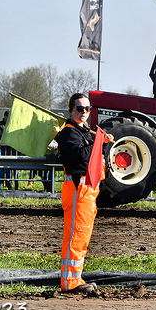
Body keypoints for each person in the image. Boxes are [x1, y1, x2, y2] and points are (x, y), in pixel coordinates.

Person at [54, 93, 113, 294]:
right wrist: (100, 143)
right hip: (78, 190)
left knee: (82, 236)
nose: (84, 112)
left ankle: (75, 277)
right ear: (71, 111)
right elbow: (84, 156)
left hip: (88, 190)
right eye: (80, 109)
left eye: (87, 109)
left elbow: (93, 156)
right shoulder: (69, 133)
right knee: (75, 235)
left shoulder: (85, 132)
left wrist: (100, 142)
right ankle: (70, 282)